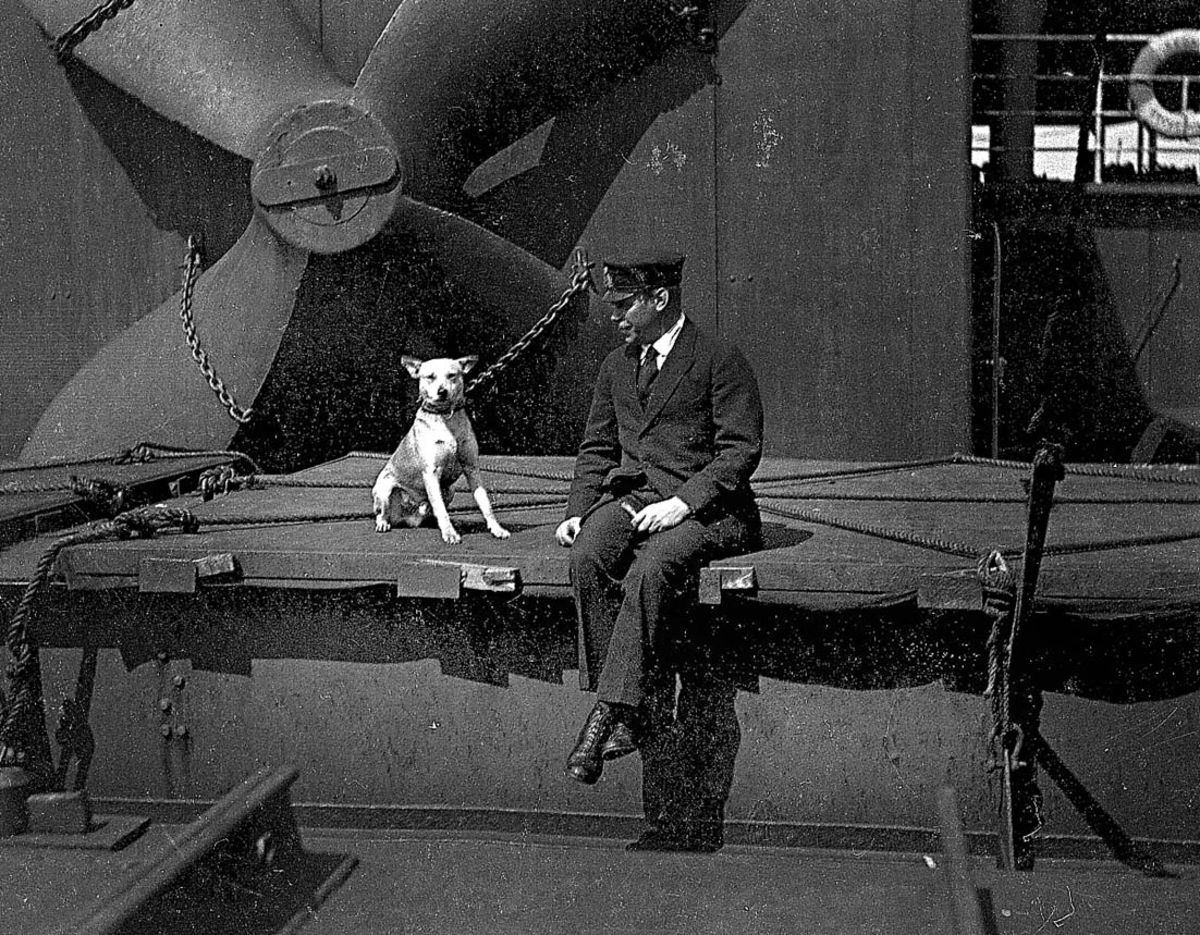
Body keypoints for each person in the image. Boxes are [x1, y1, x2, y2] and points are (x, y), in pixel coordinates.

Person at [554, 252, 763, 849]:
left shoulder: (718, 358)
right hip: (638, 498)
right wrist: (577, 511)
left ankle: (610, 713)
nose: (615, 315)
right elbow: (597, 449)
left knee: (653, 566)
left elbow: (741, 449)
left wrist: (684, 504)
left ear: (660, 300)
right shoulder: (616, 366)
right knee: (588, 554)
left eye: (625, 305)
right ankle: (627, 707)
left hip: (712, 511)